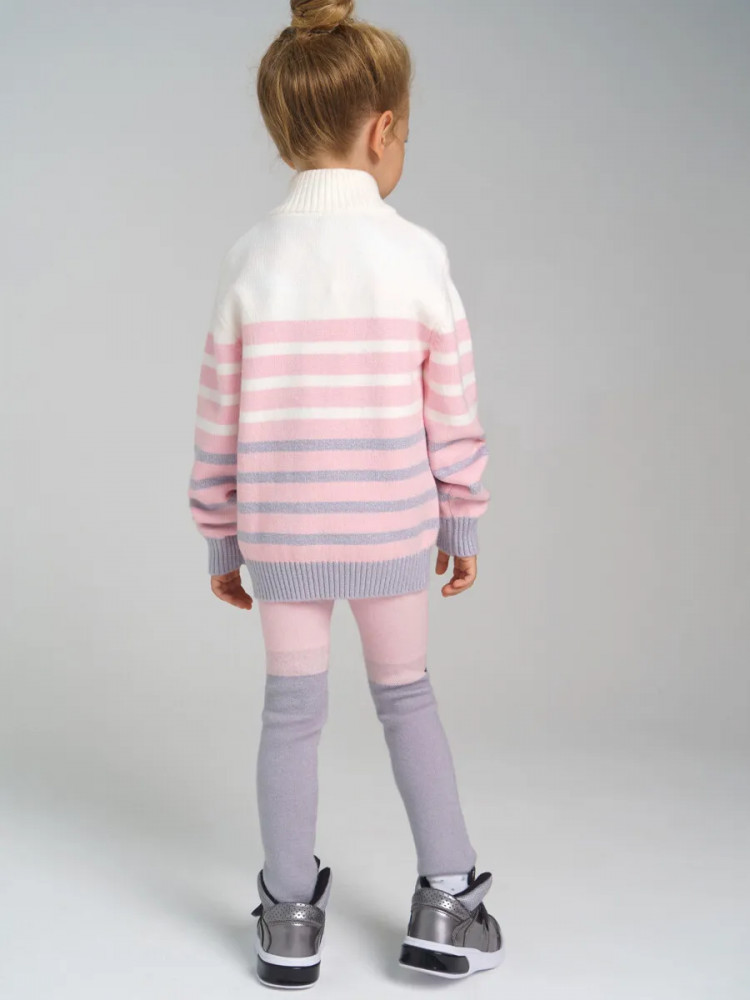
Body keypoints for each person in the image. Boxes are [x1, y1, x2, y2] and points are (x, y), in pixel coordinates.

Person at [186, 0, 503, 987]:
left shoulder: (250, 258)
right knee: (407, 699)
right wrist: (461, 518)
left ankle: (288, 916)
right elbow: (453, 409)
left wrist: (222, 537)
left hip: (281, 534)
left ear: (285, 127)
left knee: (291, 712)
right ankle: (448, 900)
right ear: (384, 129)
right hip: (391, 528)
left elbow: (218, 415)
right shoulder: (416, 255)